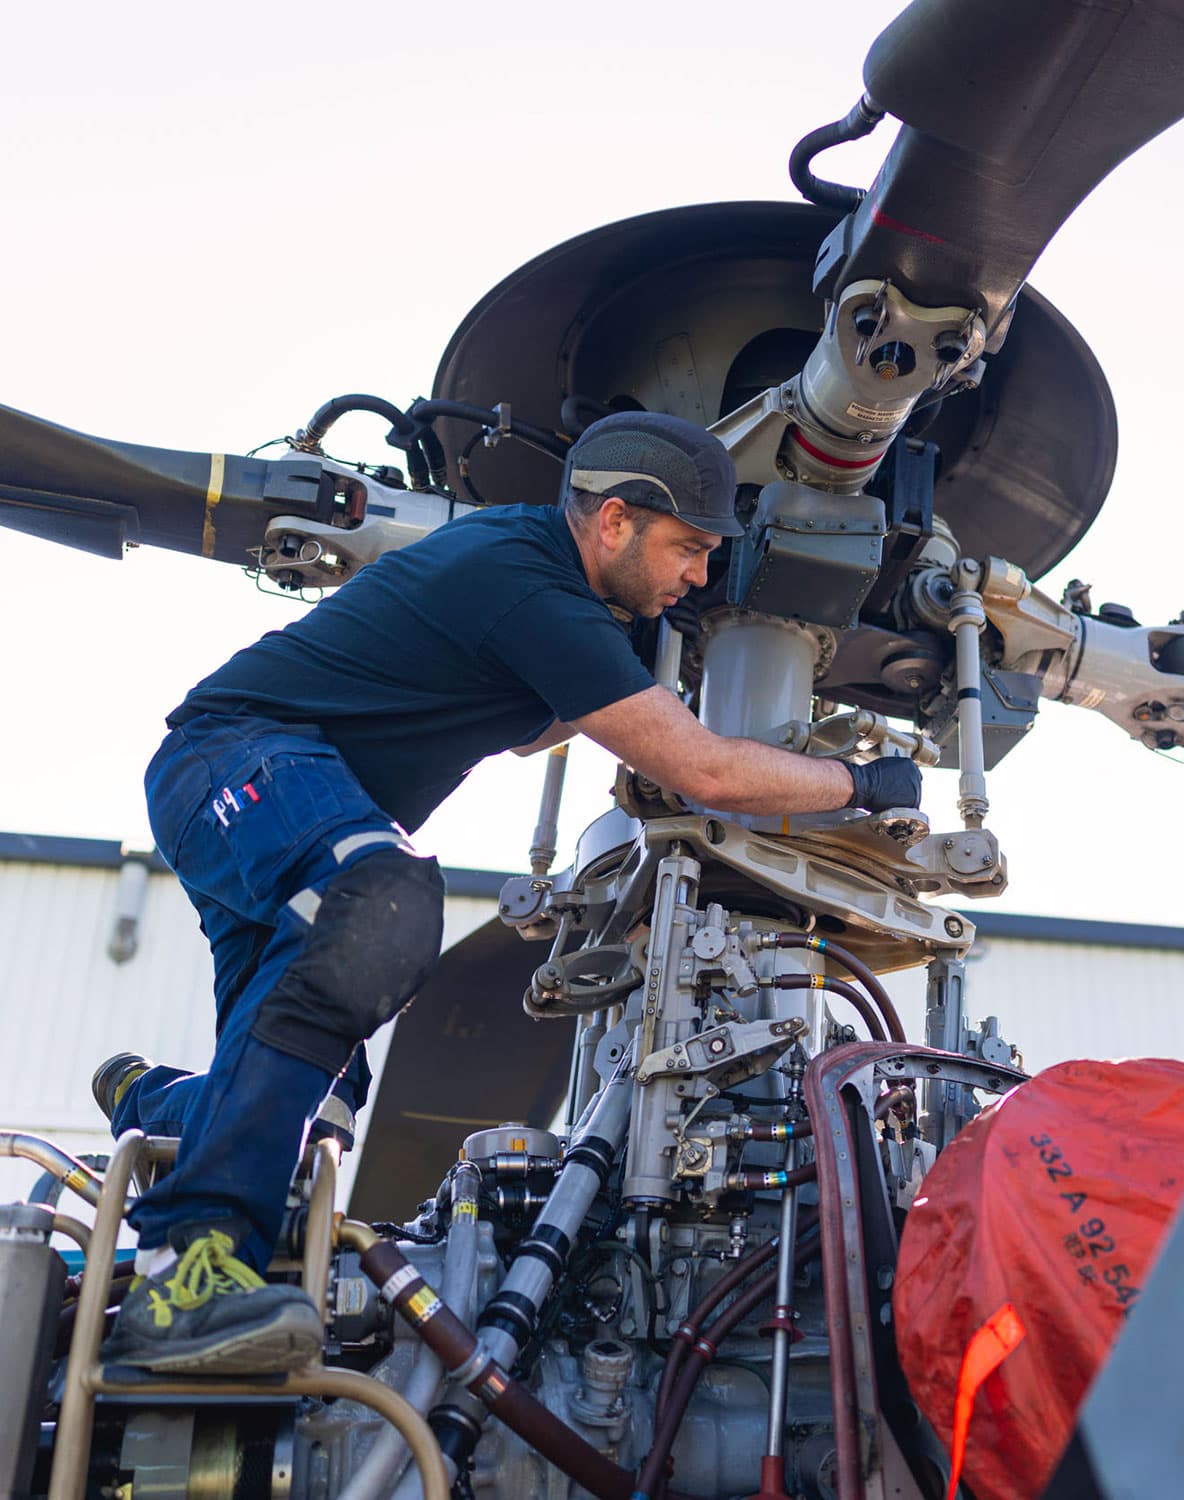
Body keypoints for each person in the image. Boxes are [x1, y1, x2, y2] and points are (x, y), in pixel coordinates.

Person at [94, 411, 921, 1374]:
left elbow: (538, 729)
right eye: (688, 548)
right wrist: (861, 785)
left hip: (268, 799)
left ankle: (162, 1108)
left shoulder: (542, 589)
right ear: (612, 521)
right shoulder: (524, 579)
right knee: (380, 903)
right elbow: (711, 775)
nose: (697, 575)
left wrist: (643, 675)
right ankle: (185, 1274)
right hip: (235, 761)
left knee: (318, 1093)